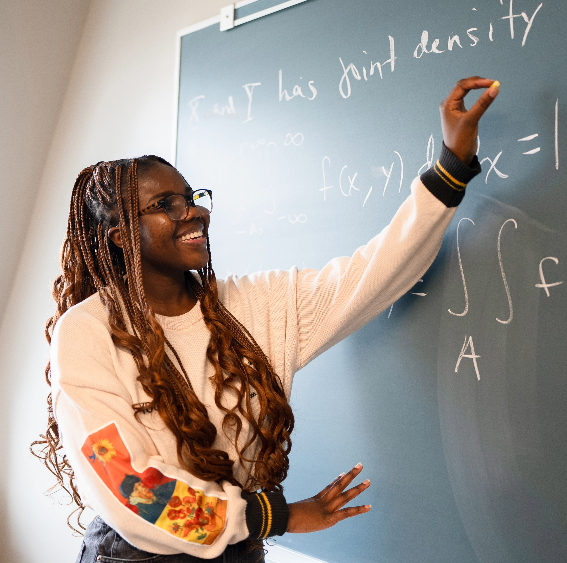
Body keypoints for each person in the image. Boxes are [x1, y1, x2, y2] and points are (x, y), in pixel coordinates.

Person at [34, 77, 499, 562]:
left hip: (240, 552)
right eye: (165, 205)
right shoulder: (87, 333)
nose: (192, 212)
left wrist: (450, 167)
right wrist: (275, 517)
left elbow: (375, 272)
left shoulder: (257, 306)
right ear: (119, 237)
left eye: (191, 197)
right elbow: (131, 488)